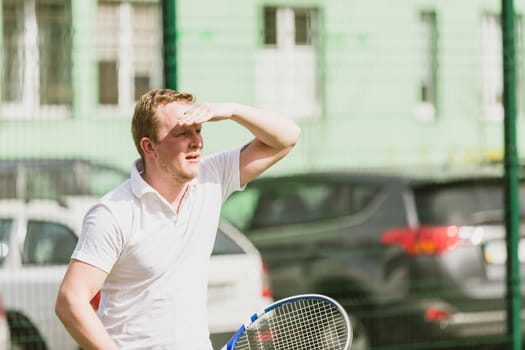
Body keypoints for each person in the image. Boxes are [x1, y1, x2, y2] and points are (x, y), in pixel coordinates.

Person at [54, 89, 301, 350]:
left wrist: (230, 110)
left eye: (198, 130)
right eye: (182, 133)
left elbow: (287, 137)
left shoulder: (211, 178)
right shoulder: (114, 212)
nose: (196, 142)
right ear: (149, 147)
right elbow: (71, 300)